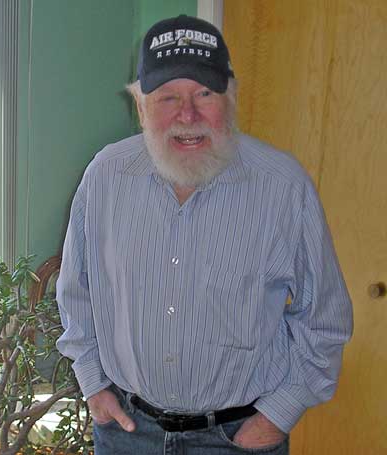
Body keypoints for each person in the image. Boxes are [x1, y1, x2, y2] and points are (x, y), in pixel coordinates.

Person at [56, 14, 353, 455]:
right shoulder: (105, 176)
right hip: (126, 432)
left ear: (230, 98)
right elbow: (76, 290)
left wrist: (277, 415)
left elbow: (325, 318)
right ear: (140, 106)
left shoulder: (284, 186)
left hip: (238, 439)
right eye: (167, 97)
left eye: (204, 94)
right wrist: (94, 386)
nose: (187, 115)